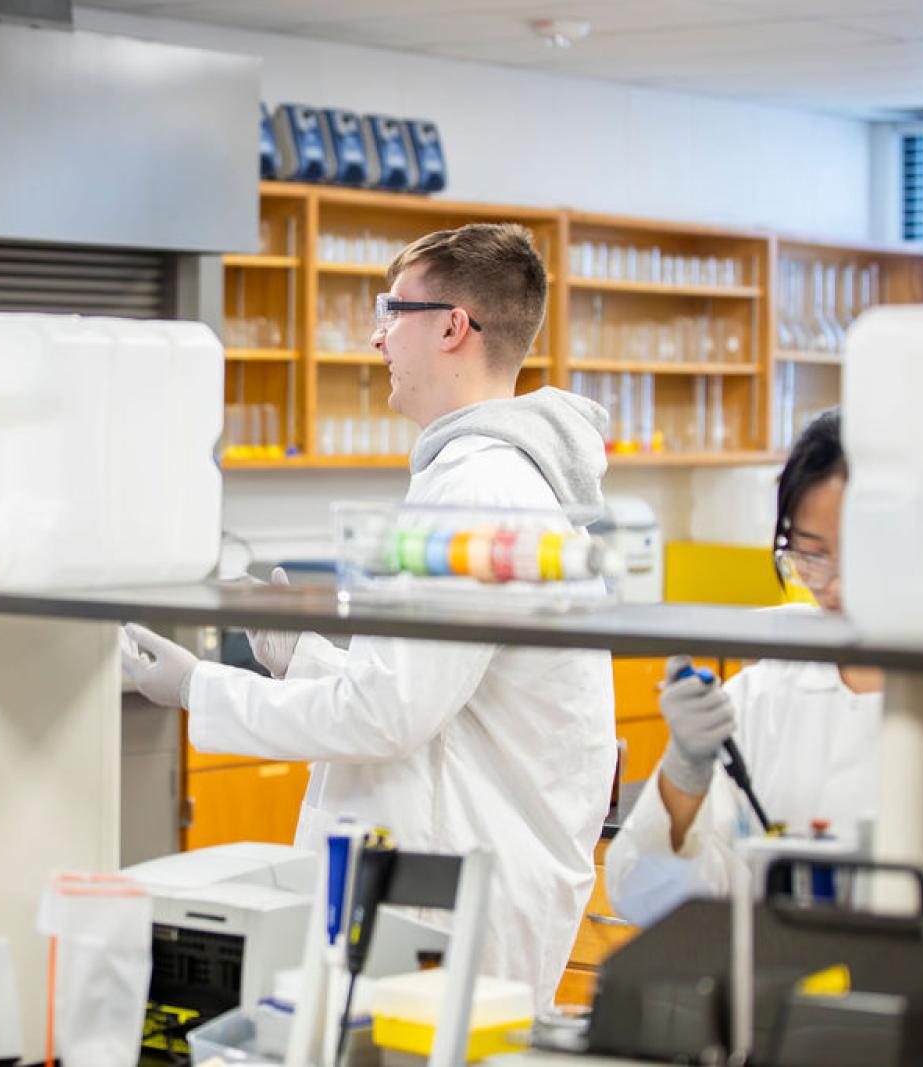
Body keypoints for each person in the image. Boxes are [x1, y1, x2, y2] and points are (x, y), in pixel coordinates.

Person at [121, 223, 615, 1008]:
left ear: (453, 326)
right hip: (458, 857)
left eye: (394, 310)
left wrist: (199, 689)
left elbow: (391, 715)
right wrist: (303, 659)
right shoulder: (480, 474)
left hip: (451, 879)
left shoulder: (475, 489)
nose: (376, 334)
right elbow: (438, 696)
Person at [607, 409, 879, 924]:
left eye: (863, 556)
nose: (835, 587)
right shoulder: (767, 689)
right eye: (811, 556)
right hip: (776, 991)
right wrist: (685, 772)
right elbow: (646, 900)